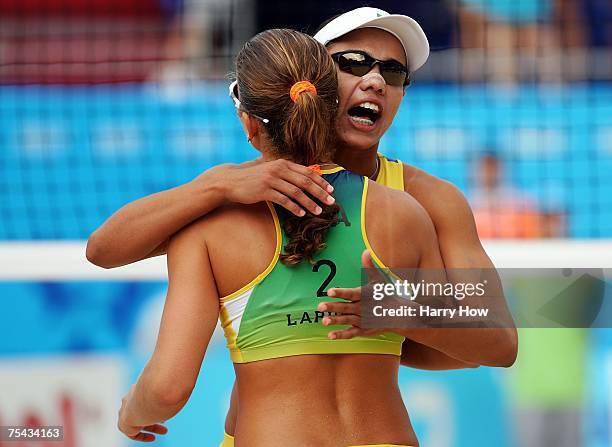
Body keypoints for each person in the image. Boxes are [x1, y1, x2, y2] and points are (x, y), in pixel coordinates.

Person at [89, 6, 517, 446]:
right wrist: (216, 185)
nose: (374, 80)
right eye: (354, 62)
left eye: (393, 71)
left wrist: (385, 318)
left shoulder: (428, 200)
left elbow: (493, 341)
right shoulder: (242, 191)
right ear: (319, 80)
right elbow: (104, 250)